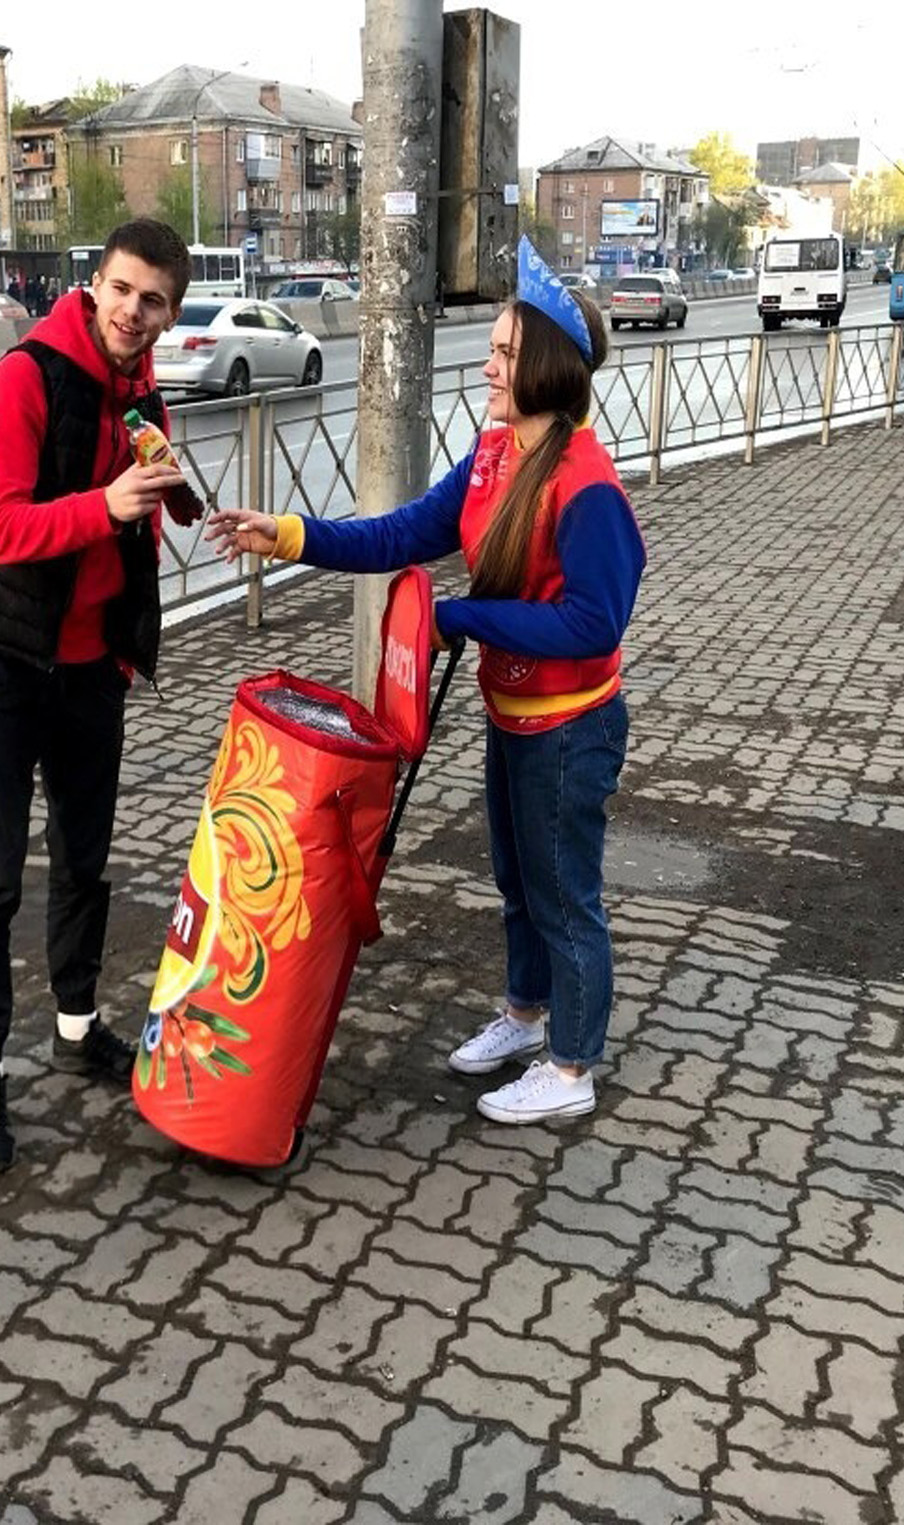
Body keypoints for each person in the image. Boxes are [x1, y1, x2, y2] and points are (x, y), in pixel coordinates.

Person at [206, 238, 646, 1125]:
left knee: (564, 895)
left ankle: (571, 1067)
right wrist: (285, 535)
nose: (487, 366)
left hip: (570, 728)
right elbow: (399, 534)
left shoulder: (586, 485)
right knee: (517, 879)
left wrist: (465, 617)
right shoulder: (493, 455)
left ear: (546, 366)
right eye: (492, 348)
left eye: (504, 352)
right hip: (512, 716)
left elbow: (593, 624)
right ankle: (525, 1014)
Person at [0, 219, 194, 1172]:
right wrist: (107, 504)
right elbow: (0, 530)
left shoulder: (144, 396)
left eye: (152, 300)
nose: (132, 311)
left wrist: (164, 506)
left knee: (85, 862)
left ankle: (77, 1028)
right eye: (121, 290)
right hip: (2, 662)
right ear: (94, 285)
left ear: (169, 314)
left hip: (91, 668)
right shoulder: (24, 377)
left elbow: (136, 527)